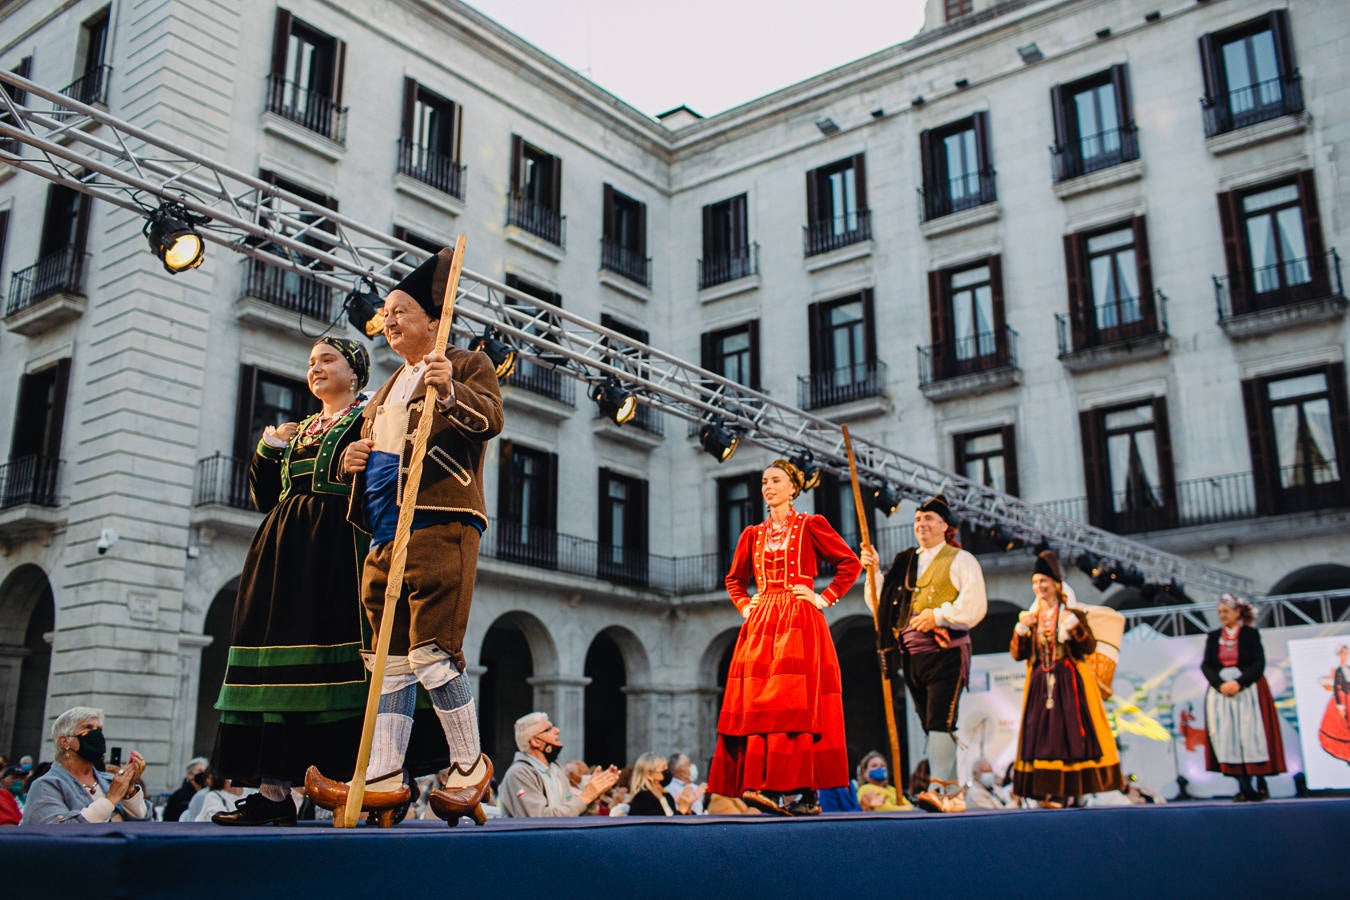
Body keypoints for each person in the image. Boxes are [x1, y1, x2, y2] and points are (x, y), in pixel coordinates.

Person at [307, 247, 503, 825]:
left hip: (439, 517)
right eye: (385, 313)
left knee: (432, 651)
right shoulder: (389, 384)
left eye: (400, 311)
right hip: (384, 527)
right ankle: (385, 774)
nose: (388, 321)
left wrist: (450, 391)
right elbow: (380, 451)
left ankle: (469, 766)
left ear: (433, 321)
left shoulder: (465, 363)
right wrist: (356, 457)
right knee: (387, 660)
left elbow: (489, 420)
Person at [209, 338, 372, 827]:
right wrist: (269, 447)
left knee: (331, 664)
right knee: (271, 664)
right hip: (281, 551)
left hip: (335, 552)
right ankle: (273, 793)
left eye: (328, 360)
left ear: (355, 371)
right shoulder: (297, 429)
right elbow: (264, 496)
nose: (316, 369)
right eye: (311, 363)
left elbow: (391, 487)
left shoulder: (371, 419)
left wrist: (353, 471)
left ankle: (356, 784)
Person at [708, 459, 861, 817]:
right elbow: (734, 579)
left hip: (799, 619)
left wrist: (823, 598)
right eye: (763, 481)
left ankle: (806, 793)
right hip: (762, 622)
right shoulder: (752, 534)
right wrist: (745, 606)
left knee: (797, 705)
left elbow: (849, 563)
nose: (768, 487)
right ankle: (762, 785)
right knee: (760, 703)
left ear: (794, 487)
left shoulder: (811, 525)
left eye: (775, 480)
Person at [861, 493, 987, 813]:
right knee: (929, 723)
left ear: (945, 526)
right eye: (918, 519)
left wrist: (940, 615)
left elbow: (974, 606)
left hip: (945, 650)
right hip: (911, 655)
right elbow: (881, 604)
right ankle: (955, 792)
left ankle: (938, 790)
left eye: (929, 519)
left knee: (939, 721)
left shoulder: (960, 560)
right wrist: (873, 572)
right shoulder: (906, 561)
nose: (922, 524)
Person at [1010, 551, 1123, 805]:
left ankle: (1074, 792)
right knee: (1041, 736)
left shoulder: (1072, 615)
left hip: (1069, 682)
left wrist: (1073, 627)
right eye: (1036, 583)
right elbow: (1018, 654)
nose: (1039, 587)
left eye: (1044, 582)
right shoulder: (1032, 618)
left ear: (1056, 585)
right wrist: (1021, 630)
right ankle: (1045, 793)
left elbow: (1089, 647)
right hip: (1041, 683)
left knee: (1071, 735)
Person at [1201, 593, 1287, 801]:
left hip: (1248, 691)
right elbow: (1206, 664)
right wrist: (1221, 685)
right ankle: (1243, 785)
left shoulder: (1250, 634)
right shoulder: (1214, 637)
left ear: (1237, 612)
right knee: (1227, 735)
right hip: (1222, 693)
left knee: (1252, 734)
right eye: (1220, 612)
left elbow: (1258, 663)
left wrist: (1239, 683)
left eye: (1226, 611)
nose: (1222, 615)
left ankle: (1260, 781)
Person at [21, 707, 152, 825]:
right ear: (65, 741)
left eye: (99, 729)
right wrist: (110, 800)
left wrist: (129, 791)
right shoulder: (46, 786)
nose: (97, 735)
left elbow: (144, 825)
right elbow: (56, 833)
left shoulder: (109, 781)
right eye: (88, 728)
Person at [498, 712, 621, 817]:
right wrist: (585, 797)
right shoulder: (519, 773)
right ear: (536, 741)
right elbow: (539, 820)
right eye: (548, 729)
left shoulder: (556, 770)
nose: (557, 731)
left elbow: (572, 814)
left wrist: (593, 796)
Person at [626, 753, 698, 816]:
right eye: (663, 768)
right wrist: (682, 810)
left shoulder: (666, 795)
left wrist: (687, 807)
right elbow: (662, 824)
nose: (667, 771)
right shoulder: (643, 798)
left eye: (667, 767)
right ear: (649, 775)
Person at [1316, 645, 1350, 765]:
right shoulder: (1339, 670)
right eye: (1343, 653)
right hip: (1343, 700)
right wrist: (1340, 706)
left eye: (1346, 653)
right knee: (1341, 729)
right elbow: (1336, 687)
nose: (1344, 656)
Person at [162, 757, 209, 823]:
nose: (203, 774)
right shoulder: (179, 795)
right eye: (200, 771)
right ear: (189, 774)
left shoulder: (208, 794)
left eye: (205, 772)